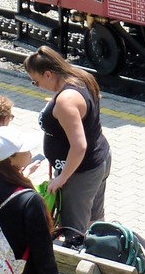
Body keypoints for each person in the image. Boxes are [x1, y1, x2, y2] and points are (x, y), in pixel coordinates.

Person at [25, 45, 111, 235]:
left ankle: (80, 260)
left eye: (35, 82)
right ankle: (101, 253)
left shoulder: (66, 101)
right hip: (97, 160)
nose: (37, 86)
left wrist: (62, 178)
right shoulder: (80, 77)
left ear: (48, 74)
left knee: (73, 230)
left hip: (79, 173)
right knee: (95, 221)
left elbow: (79, 146)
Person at [0, 124, 57, 274]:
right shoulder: (29, 201)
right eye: (25, 150)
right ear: (10, 159)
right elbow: (44, 258)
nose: (30, 153)